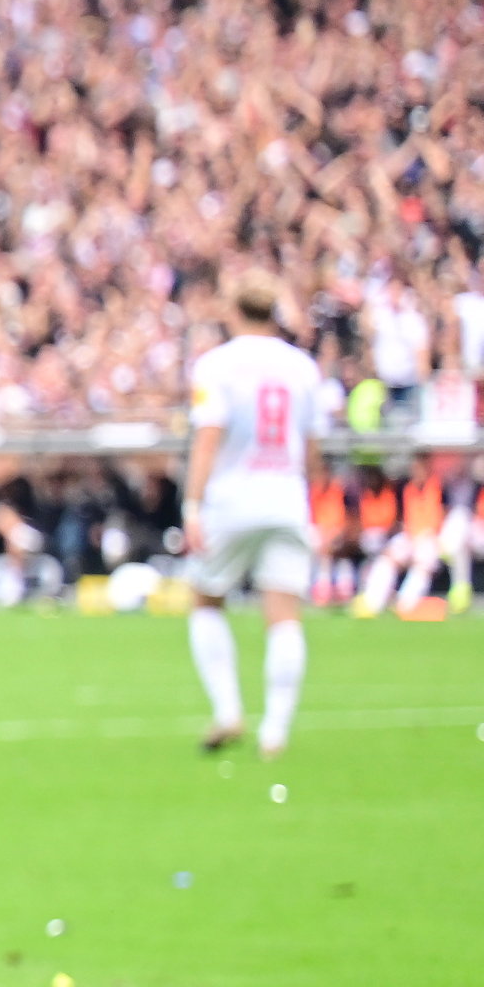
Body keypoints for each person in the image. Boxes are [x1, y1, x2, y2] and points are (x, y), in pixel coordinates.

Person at [184, 274, 326, 755]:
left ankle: (228, 710)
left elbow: (208, 439)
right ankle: (276, 731)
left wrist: (192, 505)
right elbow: (312, 449)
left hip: (231, 496)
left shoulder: (215, 366)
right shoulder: (303, 367)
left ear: (233, 311)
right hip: (287, 495)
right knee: (284, 612)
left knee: (206, 600)